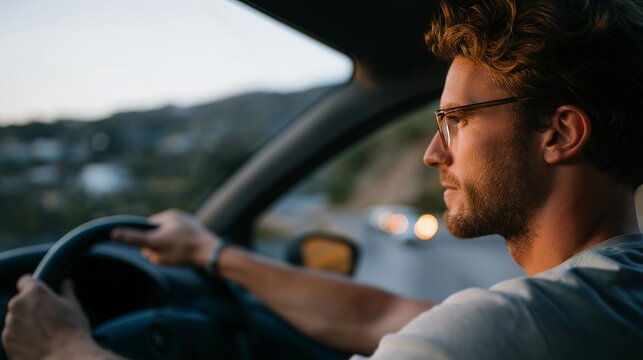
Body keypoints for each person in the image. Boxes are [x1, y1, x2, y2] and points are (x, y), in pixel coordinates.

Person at [3, 0, 643, 358]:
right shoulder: (608, 294)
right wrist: (213, 253)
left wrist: (64, 348)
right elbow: (390, 313)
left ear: (560, 132)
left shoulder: (509, 331)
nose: (431, 152)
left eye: (454, 121)